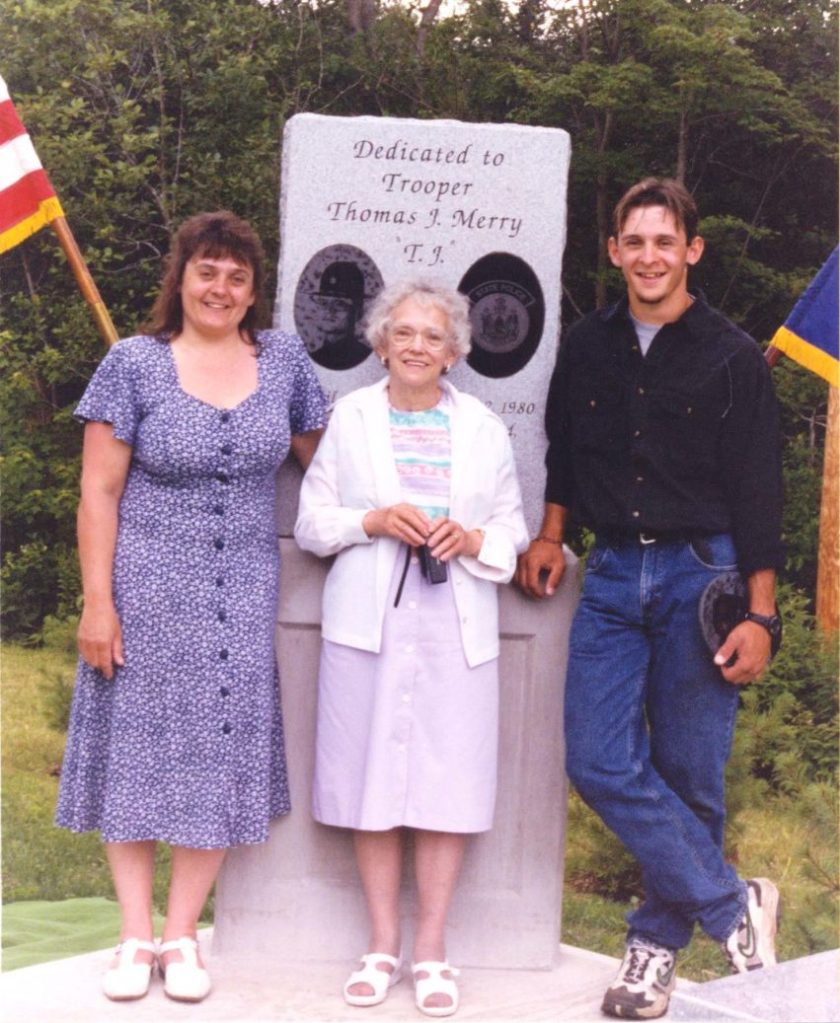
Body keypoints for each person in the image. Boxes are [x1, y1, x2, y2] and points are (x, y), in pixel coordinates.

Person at [516, 178, 784, 1020]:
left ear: (691, 250)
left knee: (690, 770)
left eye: (665, 241)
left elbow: (760, 491)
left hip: (702, 573)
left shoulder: (732, 356)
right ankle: (733, 902)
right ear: (614, 251)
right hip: (607, 574)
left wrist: (762, 612)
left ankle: (652, 953)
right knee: (597, 757)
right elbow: (563, 448)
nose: (650, 256)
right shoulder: (589, 343)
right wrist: (552, 534)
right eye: (634, 242)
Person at [55, 211, 326, 1003]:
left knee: (219, 752)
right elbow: (97, 492)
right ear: (180, 279)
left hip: (240, 592)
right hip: (141, 584)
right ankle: (133, 934)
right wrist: (97, 603)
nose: (221, 287)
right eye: (207, 271)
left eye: (238, 276)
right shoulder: (132, 364)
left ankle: (182, 934)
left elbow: (337, 464)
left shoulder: (284, 364)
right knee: (135, 749)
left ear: (253, 291)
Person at [295, 278, 528, 1017]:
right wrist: (372, 520)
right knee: (372, 781)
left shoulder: (485, 429)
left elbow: (514, 530)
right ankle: (380, 945)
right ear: (381, 344)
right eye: (405, 333)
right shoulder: (351, 417)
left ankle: (431, 951)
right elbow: (311, 521)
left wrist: (472, 538)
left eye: (433, 336)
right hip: (370, 618)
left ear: (454, 352)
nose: (418, 346)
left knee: (444, 787)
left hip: (453, 620)